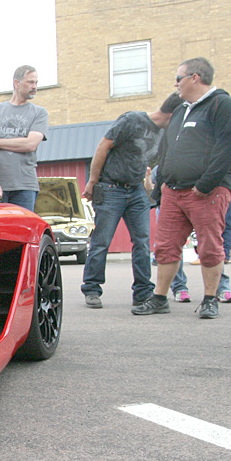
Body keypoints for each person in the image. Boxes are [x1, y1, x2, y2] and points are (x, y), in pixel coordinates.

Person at [133, 57, 231, 319]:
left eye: (178, 78)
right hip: (173, 191)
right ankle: (159, 298)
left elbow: (226, 151)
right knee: (166, 246)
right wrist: (160, 186)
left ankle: (209, 299)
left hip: (207, 192)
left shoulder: (223, 105)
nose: (175, 83)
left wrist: (204, 185)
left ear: (195, 77)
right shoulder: (182, 110)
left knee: (209, 246)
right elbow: (166, 149)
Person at [81, 92, 183, 308]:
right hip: (111, 188)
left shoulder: (165, 135)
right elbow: (103, 146)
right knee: (101, 242)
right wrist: (92, 181)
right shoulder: (132, 120)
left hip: (136, 190)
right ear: (172, 114)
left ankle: (143, 291)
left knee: (142, 242)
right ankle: (91, 288)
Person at [0, 65, 49, 211]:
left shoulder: (39, 113)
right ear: (17, 83)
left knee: (22, 232)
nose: (34, 86)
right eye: (30, 82)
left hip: (25, 186)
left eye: (36, 82)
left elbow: (30, 144)